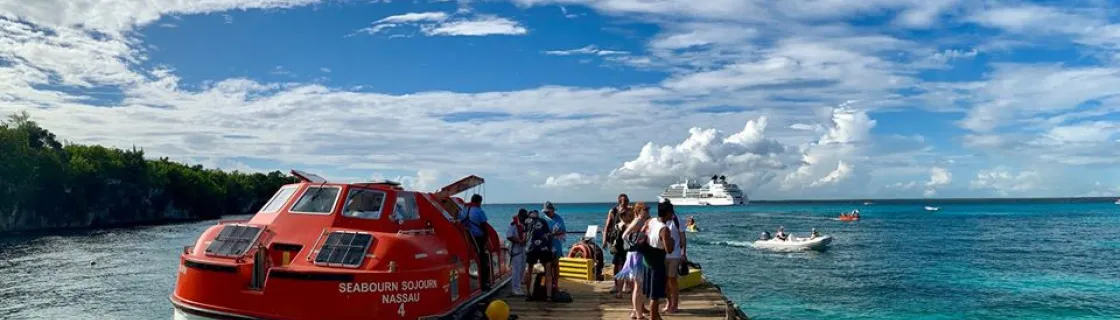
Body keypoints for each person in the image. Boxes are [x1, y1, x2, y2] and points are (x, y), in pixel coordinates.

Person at [614, 202, 651, 319]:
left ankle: (635, 311)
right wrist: (636, 242)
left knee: (637, 286)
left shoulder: (642, 221)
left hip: (637, 254)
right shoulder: (638, 221)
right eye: (645, 209)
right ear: (639, 211)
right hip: (636, 255)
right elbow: (624, 235)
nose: (648, 211)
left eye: (648, 209)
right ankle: (638, 314)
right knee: (638, 286)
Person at [643, 200, 676, 320]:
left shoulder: (651, 221)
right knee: (655, 296)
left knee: (651, 292)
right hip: (657, 263)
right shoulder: (665, 229)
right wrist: (672, 241)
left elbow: (643, 232)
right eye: (672, 212)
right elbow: (669, 249)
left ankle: (656, 316)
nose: (673, 215)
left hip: (647, 260)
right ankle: (653, 317)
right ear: (667, 213)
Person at [604, 193, 634, 296]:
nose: (625, 203)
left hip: (628, 241)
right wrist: (604, 240)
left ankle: (626, 285)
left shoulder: (630, 210)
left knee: (627, 263)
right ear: (619, 201)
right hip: (617, 241)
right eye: (623, 201)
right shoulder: (613, 211)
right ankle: (616, 285)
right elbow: (607, 226)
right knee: (617, 264)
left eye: (626, 201)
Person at [460, 194, 491, 290]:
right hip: (477, 237)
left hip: (466, 237)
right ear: (479, 202)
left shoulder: (465, 210)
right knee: (483, 259)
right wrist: (486, 239)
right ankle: (484, 283)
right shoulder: (479, 211)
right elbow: (484, 226)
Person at [523, 210, 555, 302]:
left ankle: (528, 294)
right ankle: (549, 296)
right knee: (548, 271)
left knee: (529, 271)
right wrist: (551, 248)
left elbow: (525, 235)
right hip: (544, 247)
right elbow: (547, 234)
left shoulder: (527, 222)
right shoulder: (543, 221)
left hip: (531, 248)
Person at [662, 201, 686, 314]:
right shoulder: (661, 220)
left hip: (674, 255)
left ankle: (675, 304)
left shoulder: (678, 220)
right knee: (665, 280)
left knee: (672, 280)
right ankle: (668, 302)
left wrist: (683, 253)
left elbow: (683, 238)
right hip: (662, 254)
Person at [542, 202, 566, 290]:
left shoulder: (559, 219)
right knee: (546, 265)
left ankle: (555, 284)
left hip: (556, 244)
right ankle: (548, 283)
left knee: (555, 264)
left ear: (553, 210)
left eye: (548, 212)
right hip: (545, 245)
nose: (547, 213)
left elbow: (563, 231)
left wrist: (553, 234)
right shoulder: (543, 219)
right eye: (546, 212)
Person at [506, 208, 529, 296]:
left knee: (522, 269)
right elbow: (509, 236)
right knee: (516, 270)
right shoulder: (513, 225)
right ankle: (515, 289)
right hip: (515, 250)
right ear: (519, 216)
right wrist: (519, 241)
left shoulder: (524, 225)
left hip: (523, 250)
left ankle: (519, 286)